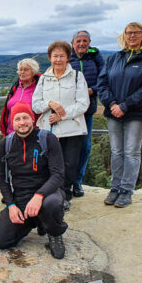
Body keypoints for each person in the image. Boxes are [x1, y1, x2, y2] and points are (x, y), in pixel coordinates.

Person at [0, 102, 67, 259]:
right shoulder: (5, 144)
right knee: (2, 240)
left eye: (25, 117)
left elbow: (58, 175)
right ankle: (37, 221)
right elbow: (2, 178)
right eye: (17, 119)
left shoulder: (48, 139)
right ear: (12, 123)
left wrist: (39, 196)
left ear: (32, 119)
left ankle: (54, 232)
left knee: (51, 205)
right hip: (21, 196)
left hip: (48, 193)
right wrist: (11, 205)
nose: (22, 122)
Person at [97, 23, 142, 208]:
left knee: (131, 152)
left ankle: (126, 191)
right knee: (116, 152)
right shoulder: (115, 58)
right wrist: (112, 104)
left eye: (135, 33)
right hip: (113, 111)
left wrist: (125, 105)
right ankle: (114, 188)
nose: (131, 36)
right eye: (128, 33)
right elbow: (102, 83)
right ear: (123, 36)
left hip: (137, 113)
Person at [32, 41, 89, 209]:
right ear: (50, 58)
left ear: (68, 57)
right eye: (55, 56)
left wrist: (61, 115)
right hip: (48, 130)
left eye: (62, 56)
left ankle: (65, 195)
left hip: (72, 129)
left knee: (69, 164)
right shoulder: (43, 79)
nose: (58, 60)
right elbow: (36, 104)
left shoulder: (78, 77)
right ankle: (50, 193)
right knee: (50, 164)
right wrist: (49, 103)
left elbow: (83, 104)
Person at [69, 30, 104, 197]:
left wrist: (92, 90)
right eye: (78, 41)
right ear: (72, 43)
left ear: (89, 42)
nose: (81, 44)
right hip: (68, 110)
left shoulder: (95, 57)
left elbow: (104, 79)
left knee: (84, 146)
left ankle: (77, 182)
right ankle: (65, 182)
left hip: (88, 109)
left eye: (85, 41)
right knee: (67, 146)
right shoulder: (67, 57)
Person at [0, 58, 41, 135]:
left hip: (31, 134)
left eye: (25, 70)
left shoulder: (38, 88)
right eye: (20, 70)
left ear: (33, 72)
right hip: (11, 133)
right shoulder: (15, 87)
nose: (22, 72)